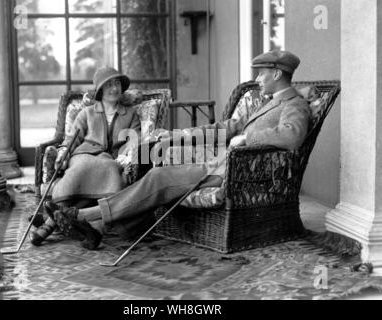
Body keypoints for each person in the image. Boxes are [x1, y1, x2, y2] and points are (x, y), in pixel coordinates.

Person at [46, 50, 312, 250]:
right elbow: (226, 127)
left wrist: (247, 139)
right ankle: (98, 224)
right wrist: (180, 135)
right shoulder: (264, 104)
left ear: (277, 74)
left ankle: (83, 216)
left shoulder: (294, 104)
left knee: (159, 178)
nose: (257, 79)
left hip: (235, 172)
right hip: (215, 163)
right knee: (156, 169)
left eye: (262, 73)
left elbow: (292, 137)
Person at [30, 67, 140, 249]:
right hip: (84, 155)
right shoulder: (86, 113)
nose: (115, 88)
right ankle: (56, 220)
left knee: (109, 170)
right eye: (110, 84)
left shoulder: (130, 114)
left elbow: (134, 140)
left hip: (111, 161)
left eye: (117, 83)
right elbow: (71, 139)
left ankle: (49, 224)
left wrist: (126, 155)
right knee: (87, 168)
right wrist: (63, 154)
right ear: (101, 90)